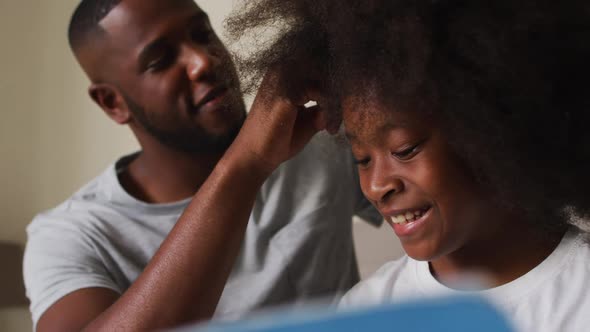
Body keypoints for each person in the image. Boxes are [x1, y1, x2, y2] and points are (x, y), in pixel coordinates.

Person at [228, 0, 590, 331]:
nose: (376, 186)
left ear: (491, 131)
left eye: (405, 150)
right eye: (362, 160)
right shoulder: (367, 309)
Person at [22, 0, 380, 331]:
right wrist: (247, 163)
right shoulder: (71, 234)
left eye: (202, 34)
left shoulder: (321, 141)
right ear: (113, 102)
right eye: (160, 60)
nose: (202, 62)